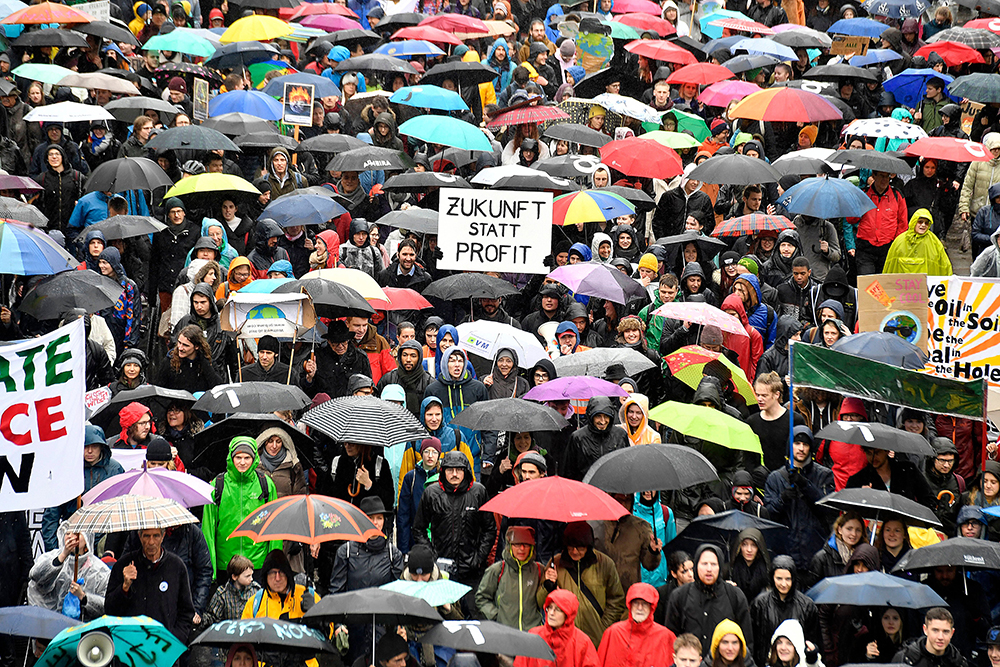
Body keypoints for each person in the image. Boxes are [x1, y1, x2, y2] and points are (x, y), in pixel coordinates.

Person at [413, 450, 496, 609]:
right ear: (443, 471)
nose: (455, 474)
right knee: (445, 615)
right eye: (450, 470)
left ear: (466, 471)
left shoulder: (478, 492)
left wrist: (478, 557)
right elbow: (418, 529)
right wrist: (432, 554)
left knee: (470, 615)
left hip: (471, 569)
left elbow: (489, 529)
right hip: (442, 568)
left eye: (459, 470)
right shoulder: (432, 493)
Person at [331, 496, 404, 665]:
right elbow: (336, 591)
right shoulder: (346, 552)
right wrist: (338, 625)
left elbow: (399, 594)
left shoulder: (394, 555)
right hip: (354, 628)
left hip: (384, 629)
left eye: (379, 518)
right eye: (369, 518)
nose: (375, 523)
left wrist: (401, 626)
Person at [202, 437, 280, 579]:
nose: (242, 462)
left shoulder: (266, 484)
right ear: (231, 458)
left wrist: (274, 566)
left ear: (254, 458)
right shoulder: (217, 486)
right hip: (226, 563)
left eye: (247, 457)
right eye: (238, 457)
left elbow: (274, 528)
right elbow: (208, 530)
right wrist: (210, 569)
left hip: (257, 562)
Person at [539, 521, 626, 647]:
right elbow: (540, 602)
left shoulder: (605, 564)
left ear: (588, 546)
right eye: (570, 547)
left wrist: (603, 627)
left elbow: (616, 600)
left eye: (580, 547)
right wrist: (547, 585)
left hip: (595, 640)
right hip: (563, 640)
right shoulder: (555, 564)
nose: (574, 551)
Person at [105, 527, 196, 643]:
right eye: (146, 536)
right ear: (140, 536)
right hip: (131, 648)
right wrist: (124, 587)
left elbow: (186, 612)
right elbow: (109, 610)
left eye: (156, 536)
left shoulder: (177, 566)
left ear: (163, 536)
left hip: (165, 648)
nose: (151, 542)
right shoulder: (123, 565)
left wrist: (174, 640)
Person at [41, 425, 123, 551]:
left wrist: (112, 549)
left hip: (104, 541)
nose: (89, 451)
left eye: (94, 446)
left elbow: (121, 510)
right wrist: (54, 551)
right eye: (85, 446)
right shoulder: (68, 470)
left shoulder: (115, 469)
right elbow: (52, 514)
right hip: (73, 539)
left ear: (102, 447)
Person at [666, 544, 753, 656]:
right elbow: (670, 639)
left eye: (713, 564)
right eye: (704, 564)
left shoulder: (734, 595)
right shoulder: (680, 596)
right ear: (696, 565)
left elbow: (746, 640)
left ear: (720, 566)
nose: (709, 569)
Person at [27, 524, 109, 621]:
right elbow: (35, 576)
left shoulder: (99, 569)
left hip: (83, 629)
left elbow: (107, 605)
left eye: (76, 533)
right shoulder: (52, 556)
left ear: (87, 539)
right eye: (67, 533)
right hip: (47, 624)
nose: (70, 536)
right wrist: (62, 556)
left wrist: (83, 597)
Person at [751, 556, 820, 667]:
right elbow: (755, 640)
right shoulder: (760, 604)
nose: (783, 584)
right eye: (779, 578)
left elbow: (813, 639)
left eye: (788, 579)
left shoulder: (806, 605)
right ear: (772, 578)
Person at [476, 525, 545, 631]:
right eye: (517, 544)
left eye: (526, 545)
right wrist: (496, 616)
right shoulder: (497, 570)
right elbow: (481, 598)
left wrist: (549, 584)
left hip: (533, 633)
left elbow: (545, 601)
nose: (522, 549)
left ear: (532, 547)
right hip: (505, 633)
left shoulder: (539, 570)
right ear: (509, 546)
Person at [597, 583, 676, 667]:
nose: (640, 608)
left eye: (645, 603)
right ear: (629, 605)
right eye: (636, 603)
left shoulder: (666, 637)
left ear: (652, 606)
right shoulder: (613, 633)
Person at [515, 589, 599, 667]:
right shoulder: (533, 636)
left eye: (557, 609)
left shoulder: (582, 643)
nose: (551, 613)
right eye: (550, 607)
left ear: (568, 614)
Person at [562, 396, 629, 481]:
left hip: (613, 489)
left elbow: (627, 466)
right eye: (598, 416)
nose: (602, 421)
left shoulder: (620, 435)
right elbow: (569, 471)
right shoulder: (578, 437)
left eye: (606, 416)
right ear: (591, 416)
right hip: (586, 488)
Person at [882, 209, 952, 275]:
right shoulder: (900, 241)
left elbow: (944, 265)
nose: (923, 225)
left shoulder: (935, 242)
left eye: (926, 223)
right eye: (920, 222)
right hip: (902, 285)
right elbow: (890, 264)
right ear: (914, 222)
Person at [891, 608, 967, 667]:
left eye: (945, 631)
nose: (940, 637)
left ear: (952, 633)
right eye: (935, 630)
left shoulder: (958, 662)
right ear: (925, 630)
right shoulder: (905, 658)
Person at [202, 555, 262, 627]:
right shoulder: (222, 594)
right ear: (234, 577)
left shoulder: (256, 590)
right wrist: (200, 619)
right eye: (247, 576)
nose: (251, 579)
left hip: (251, 632)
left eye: (251, 575)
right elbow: (212, 618)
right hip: (230, 633)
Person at [730, 528, 770, 602]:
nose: (749, 550)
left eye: (753, 545)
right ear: (739, 547)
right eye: (744, 544)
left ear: (759, 547)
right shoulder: (730, 571)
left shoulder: (767, 572)